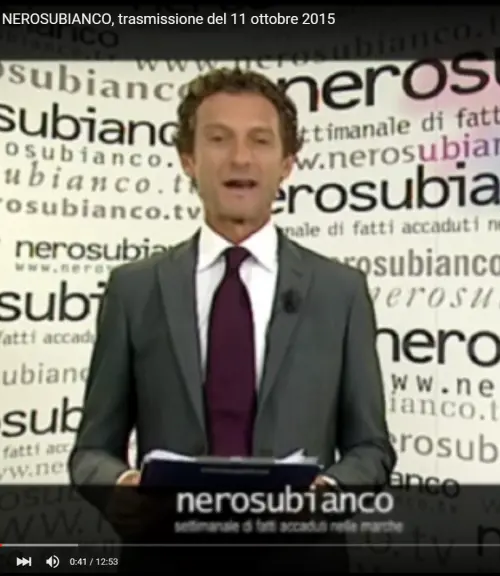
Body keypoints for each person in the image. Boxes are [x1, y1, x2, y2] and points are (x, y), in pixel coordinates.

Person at [68, 68, 396, 571]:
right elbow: (92, 451)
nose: (240, 158)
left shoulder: (341, 291)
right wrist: (118, 487)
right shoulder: (133, 289)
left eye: (260, 141)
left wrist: (328, 493)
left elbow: (370, 449)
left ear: (287, 164)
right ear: (188, 159)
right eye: (218, 139)